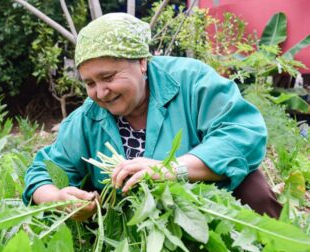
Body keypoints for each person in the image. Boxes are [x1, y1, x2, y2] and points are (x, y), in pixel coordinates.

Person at [22, 13, 282, 220]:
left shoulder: (192, 81)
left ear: (142, 62)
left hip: (210, 201)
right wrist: (58, 200)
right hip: (137, 224)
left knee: (253, 188)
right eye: (90, 83)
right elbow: (42, 172)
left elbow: (242, 132)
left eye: (108, 77)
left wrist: (171, 169)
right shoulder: (89, 118)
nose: (100, 92)